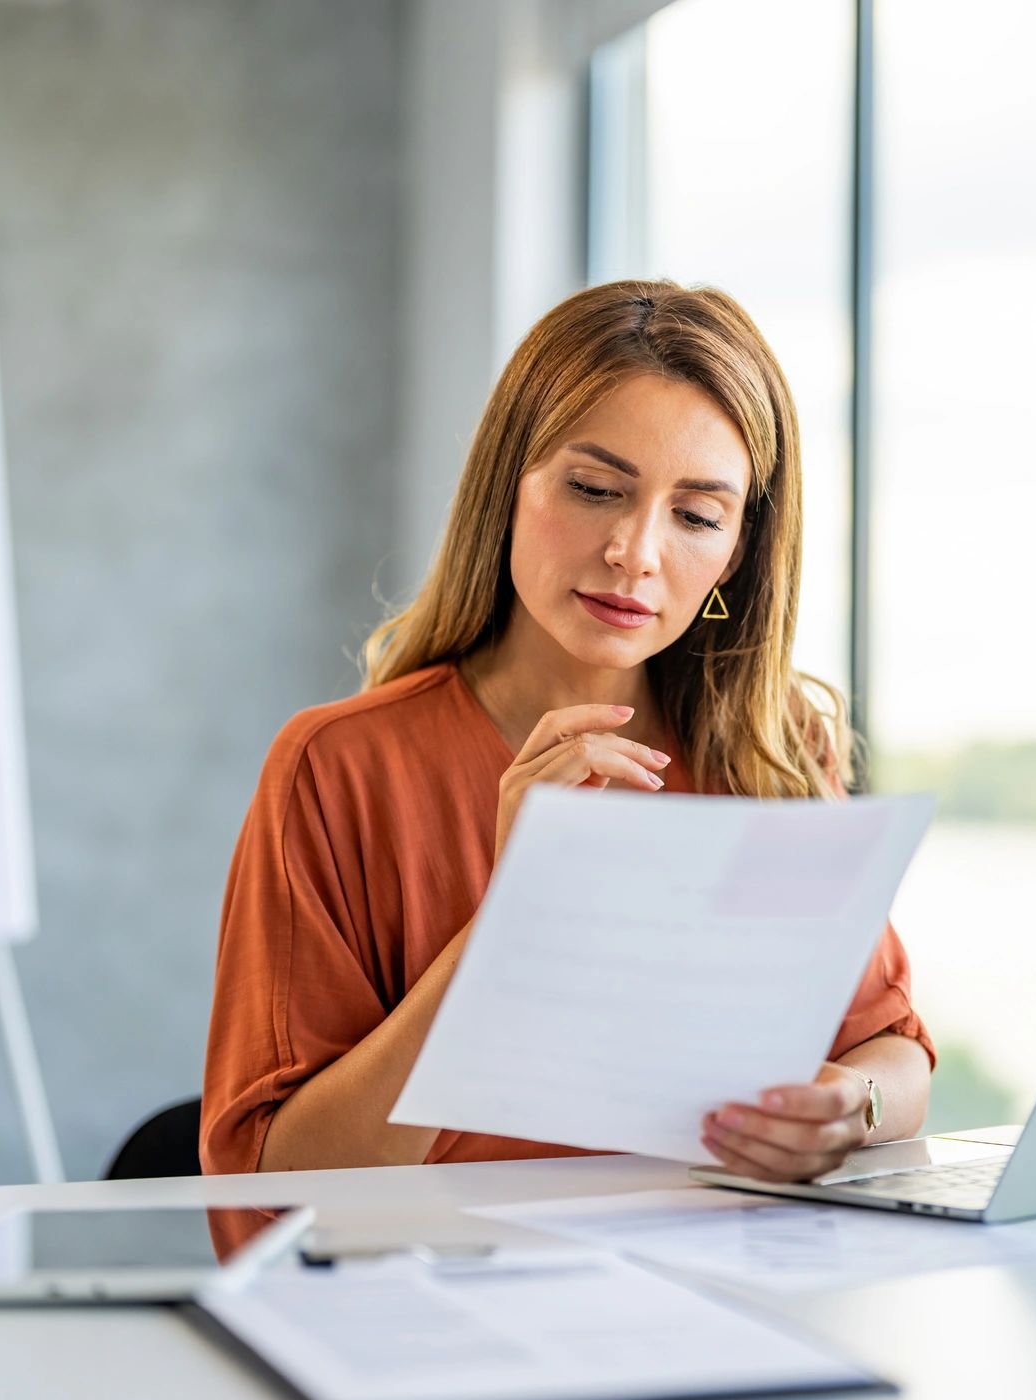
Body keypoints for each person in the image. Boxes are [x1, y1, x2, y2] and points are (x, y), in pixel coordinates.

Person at [200, 280, 933, 1185]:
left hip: (710, 1283)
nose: (635, 551)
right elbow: (274, 1177)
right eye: (594, 489)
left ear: (737, 551)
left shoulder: (771, 745)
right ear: (508, 482)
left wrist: (848, 1110)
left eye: (697, 515)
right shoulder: (339, 768)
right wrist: (514, 921)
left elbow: (893, 1054)